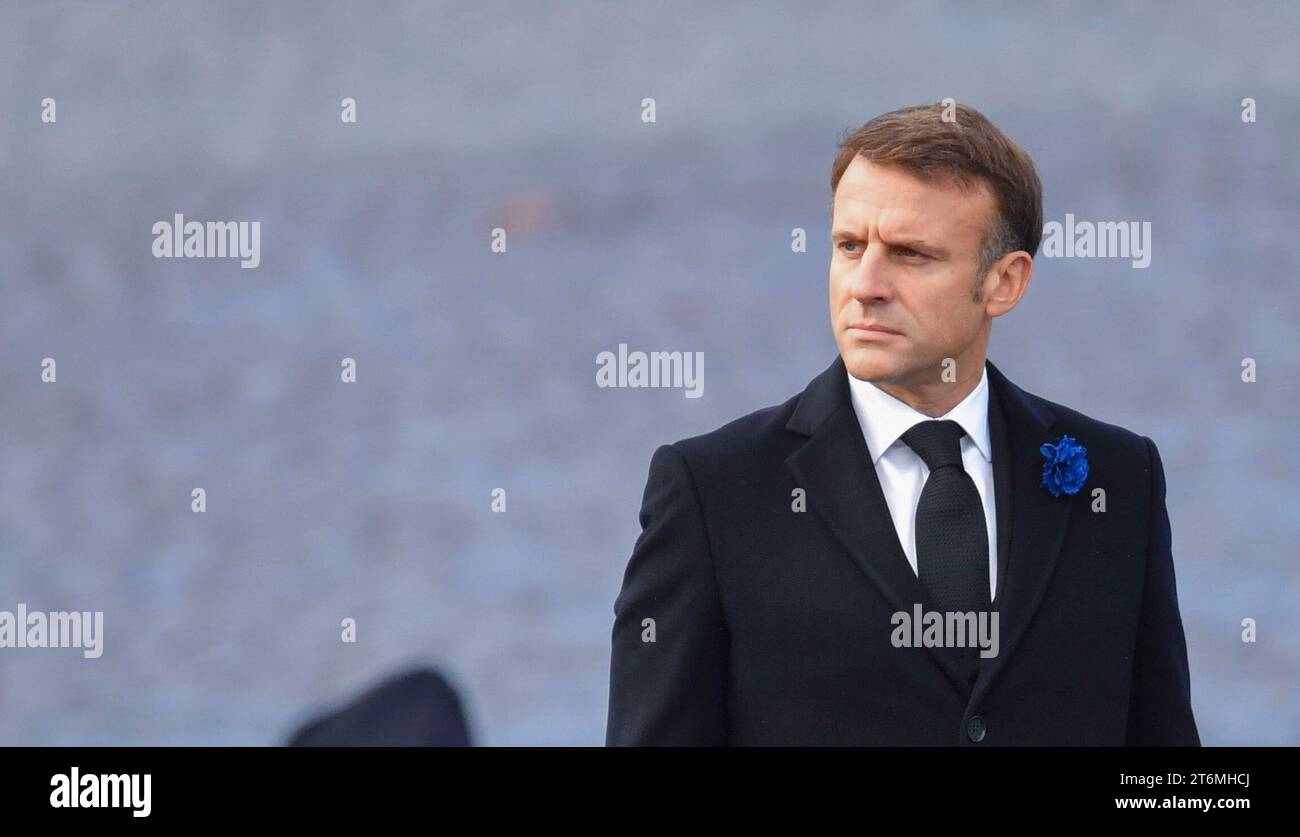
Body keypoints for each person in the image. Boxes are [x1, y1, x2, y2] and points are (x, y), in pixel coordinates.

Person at [605, 102, 1199, 746]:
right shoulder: (713, 492)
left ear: (1005, 281)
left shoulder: (1118, 476)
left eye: (911, 255)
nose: (865, 284)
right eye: (849, 245)